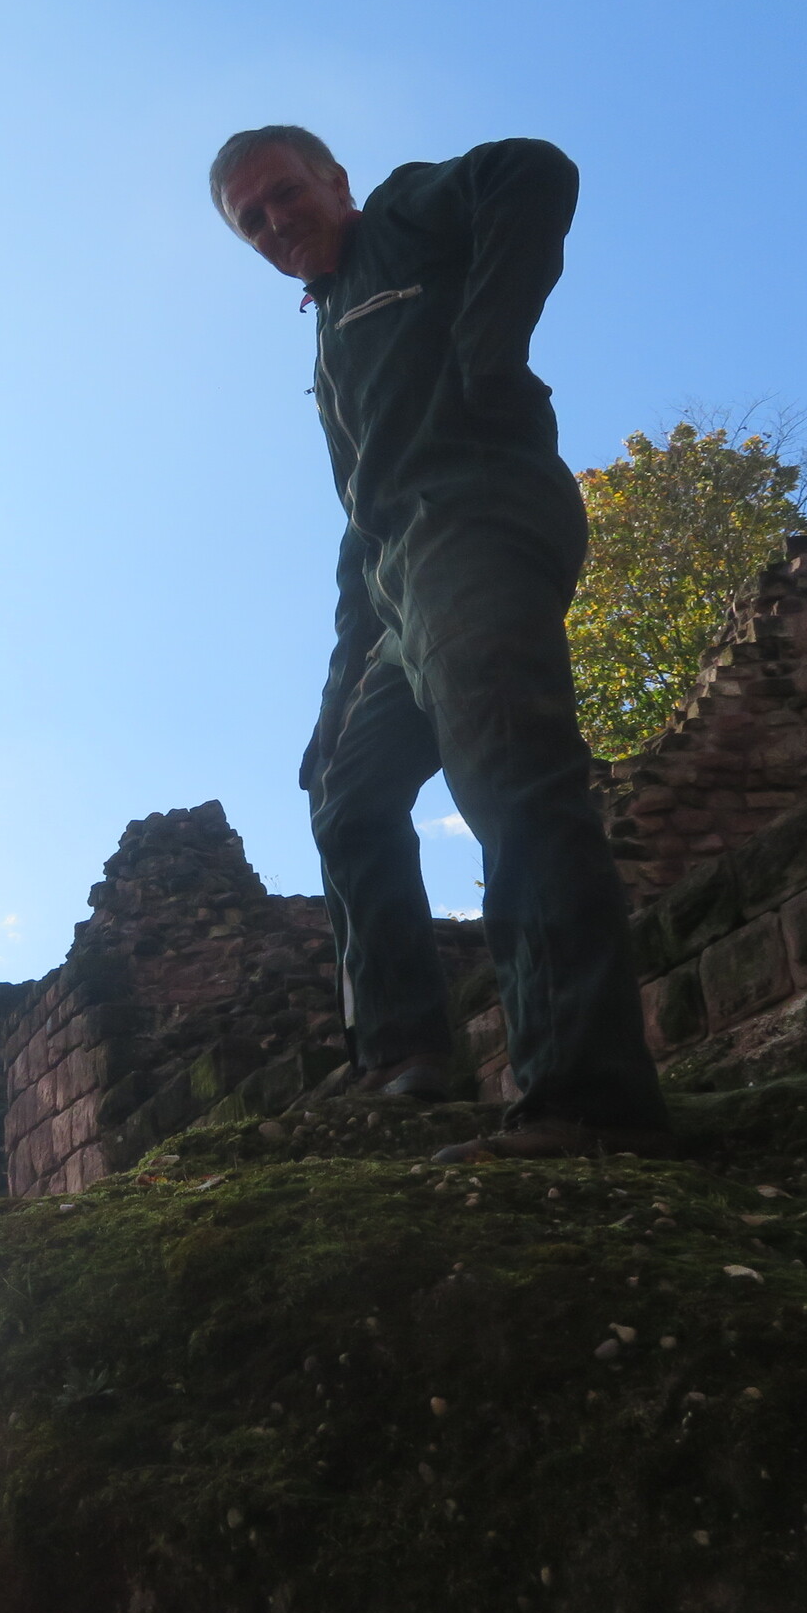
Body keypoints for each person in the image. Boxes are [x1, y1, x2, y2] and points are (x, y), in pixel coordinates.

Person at [210, 125, 672, 1163]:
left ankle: (589, 1099)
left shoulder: (403, 219)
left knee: (507, 767)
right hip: (399, 582)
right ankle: (403, 1062)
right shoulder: (331, 342)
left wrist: (489, 353)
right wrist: (335, 698)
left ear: (335, 180)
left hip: (479, 519)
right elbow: (362, 527)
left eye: (285, 194)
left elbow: (531, 170)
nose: (275, 222)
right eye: (252, 222)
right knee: (348, 796)